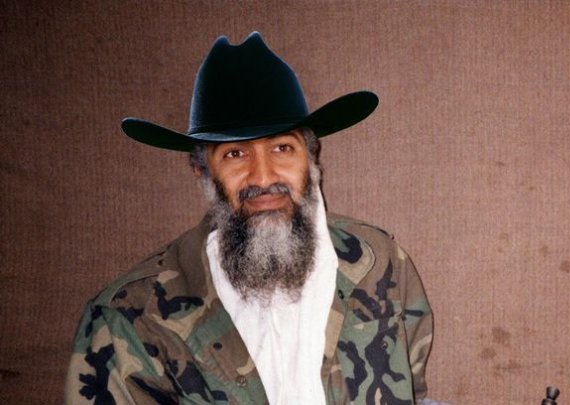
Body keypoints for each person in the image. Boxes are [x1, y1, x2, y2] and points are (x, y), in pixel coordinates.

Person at [65, 32, 434, 405]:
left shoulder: (379, 264)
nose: (263, 176)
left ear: (311, 156)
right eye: (235, 154)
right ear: (202, 170)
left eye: (282, 147)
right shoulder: (128, 316)